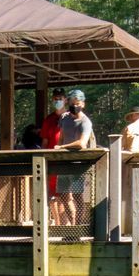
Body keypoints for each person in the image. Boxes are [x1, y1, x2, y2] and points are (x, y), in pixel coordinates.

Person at [50, 88, 97, 226]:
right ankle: (71, 226)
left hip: (79, 165)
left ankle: (78, 226)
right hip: (64, 164)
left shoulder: (85, 122)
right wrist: (59, 150)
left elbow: (82, 143)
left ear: (83, 104)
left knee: (77, 196)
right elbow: (61, 139)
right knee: (64, 196)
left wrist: (62, 147)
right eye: (72, 102)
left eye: (78, 103)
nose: (75, 106)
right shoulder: (64, 118)